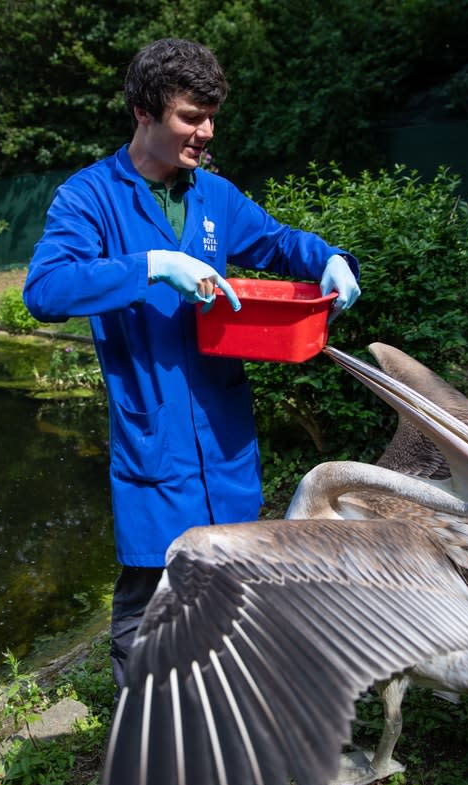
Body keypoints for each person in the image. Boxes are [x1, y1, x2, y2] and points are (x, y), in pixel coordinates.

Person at [23, 38, 361, 693]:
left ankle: (219, 713)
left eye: (211, 117)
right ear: (144, 112)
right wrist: (152, 265)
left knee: (230, 586)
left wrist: (330, 257)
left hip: (223, 431)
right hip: (155, 441)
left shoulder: (215, 197)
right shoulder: (89, 197)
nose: (205, 132)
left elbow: (280, 243)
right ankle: (146, 755)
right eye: (190, 117)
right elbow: (45, 291)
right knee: (147, 610)